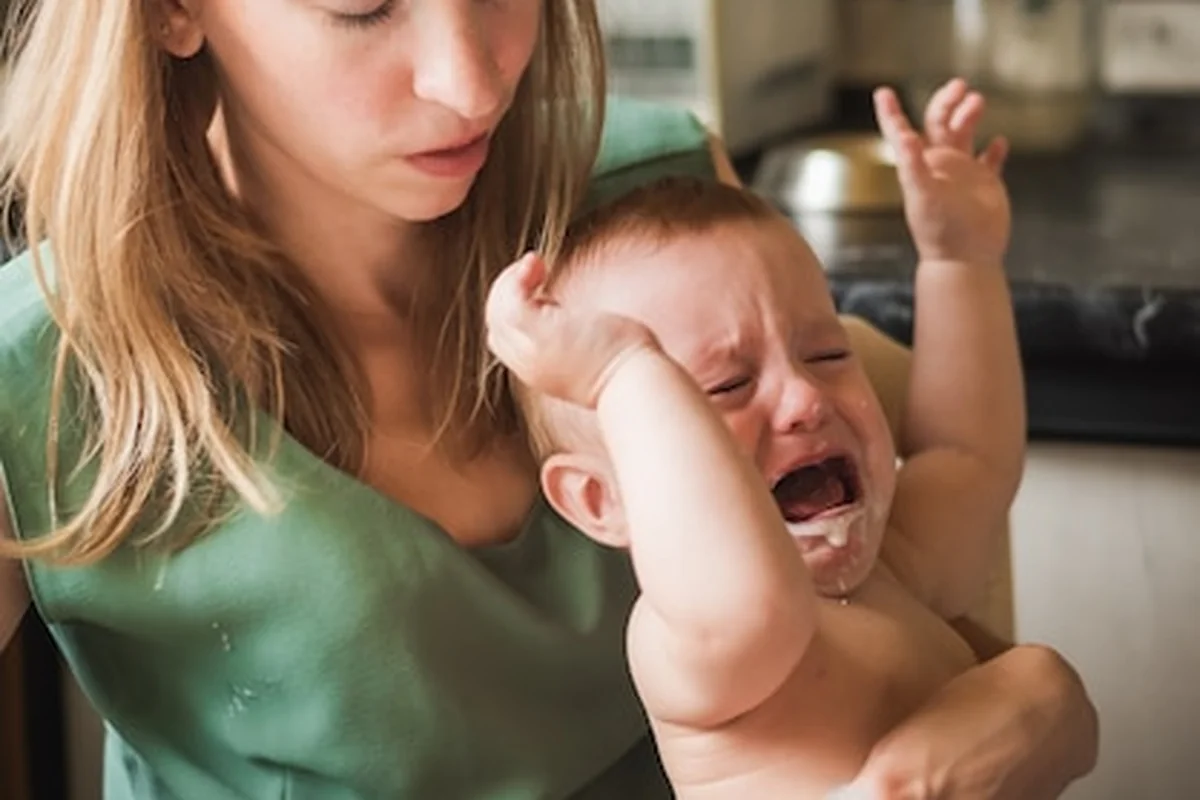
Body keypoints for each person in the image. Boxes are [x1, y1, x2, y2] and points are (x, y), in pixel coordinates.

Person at [0, 0, 1094, 796]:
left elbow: (888, 608)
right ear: (170, 12)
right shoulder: (32, 379)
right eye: (363, 8)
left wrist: (1024, 704)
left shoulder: (653, 200)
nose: (474, 82)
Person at [486, 84, 1093, 798]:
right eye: (721, 388)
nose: (806, 399)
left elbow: (969, 457)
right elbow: (752, 600)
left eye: (828, 355)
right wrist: (623, 371)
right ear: (601, 499)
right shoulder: (683, 640)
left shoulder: (893, 570)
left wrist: (959, 260)